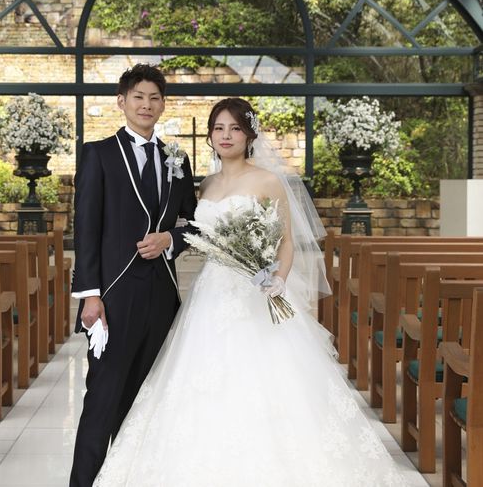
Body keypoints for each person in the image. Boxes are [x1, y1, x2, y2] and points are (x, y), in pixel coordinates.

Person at [93, 97, 409, 487]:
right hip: (210, 294)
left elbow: (286, 242)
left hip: (255, 292)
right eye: (219, 128)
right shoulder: (205, 185)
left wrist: (279, 279)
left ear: (249, 135)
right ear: (210, 136)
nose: (226, 136)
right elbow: (195, 234)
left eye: (235, 128)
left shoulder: (267, 181)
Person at [69, 64, 198, 487]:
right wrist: (90, 295)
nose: (146, 105)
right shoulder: (99, 154)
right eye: (138, 97)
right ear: (122, 102)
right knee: (102, 402)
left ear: (163, 105)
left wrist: (170, 240)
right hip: (113, 296)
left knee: (145, 402)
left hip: (162, 298)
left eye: (154, 98)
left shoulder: (177, 159)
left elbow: (196, 224)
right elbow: (86, 229)